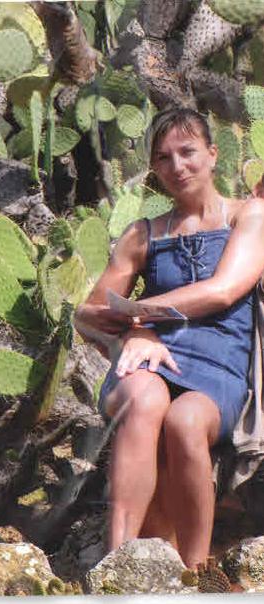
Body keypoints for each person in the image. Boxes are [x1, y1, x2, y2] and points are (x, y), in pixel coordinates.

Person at [74, 107, 264, 570]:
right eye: (163, 157)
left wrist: (140, 316)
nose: (177, 166)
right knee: (144, 399)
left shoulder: (250, 215)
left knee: (185, 421)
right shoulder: (141, 235)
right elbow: (87, 313)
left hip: (219, 369)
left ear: (213, 154)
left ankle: (195, 573)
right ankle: (115, 566)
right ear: (154, 169)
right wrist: (137, 333)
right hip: (152, 358)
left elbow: (223, 291)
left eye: (187, 152)